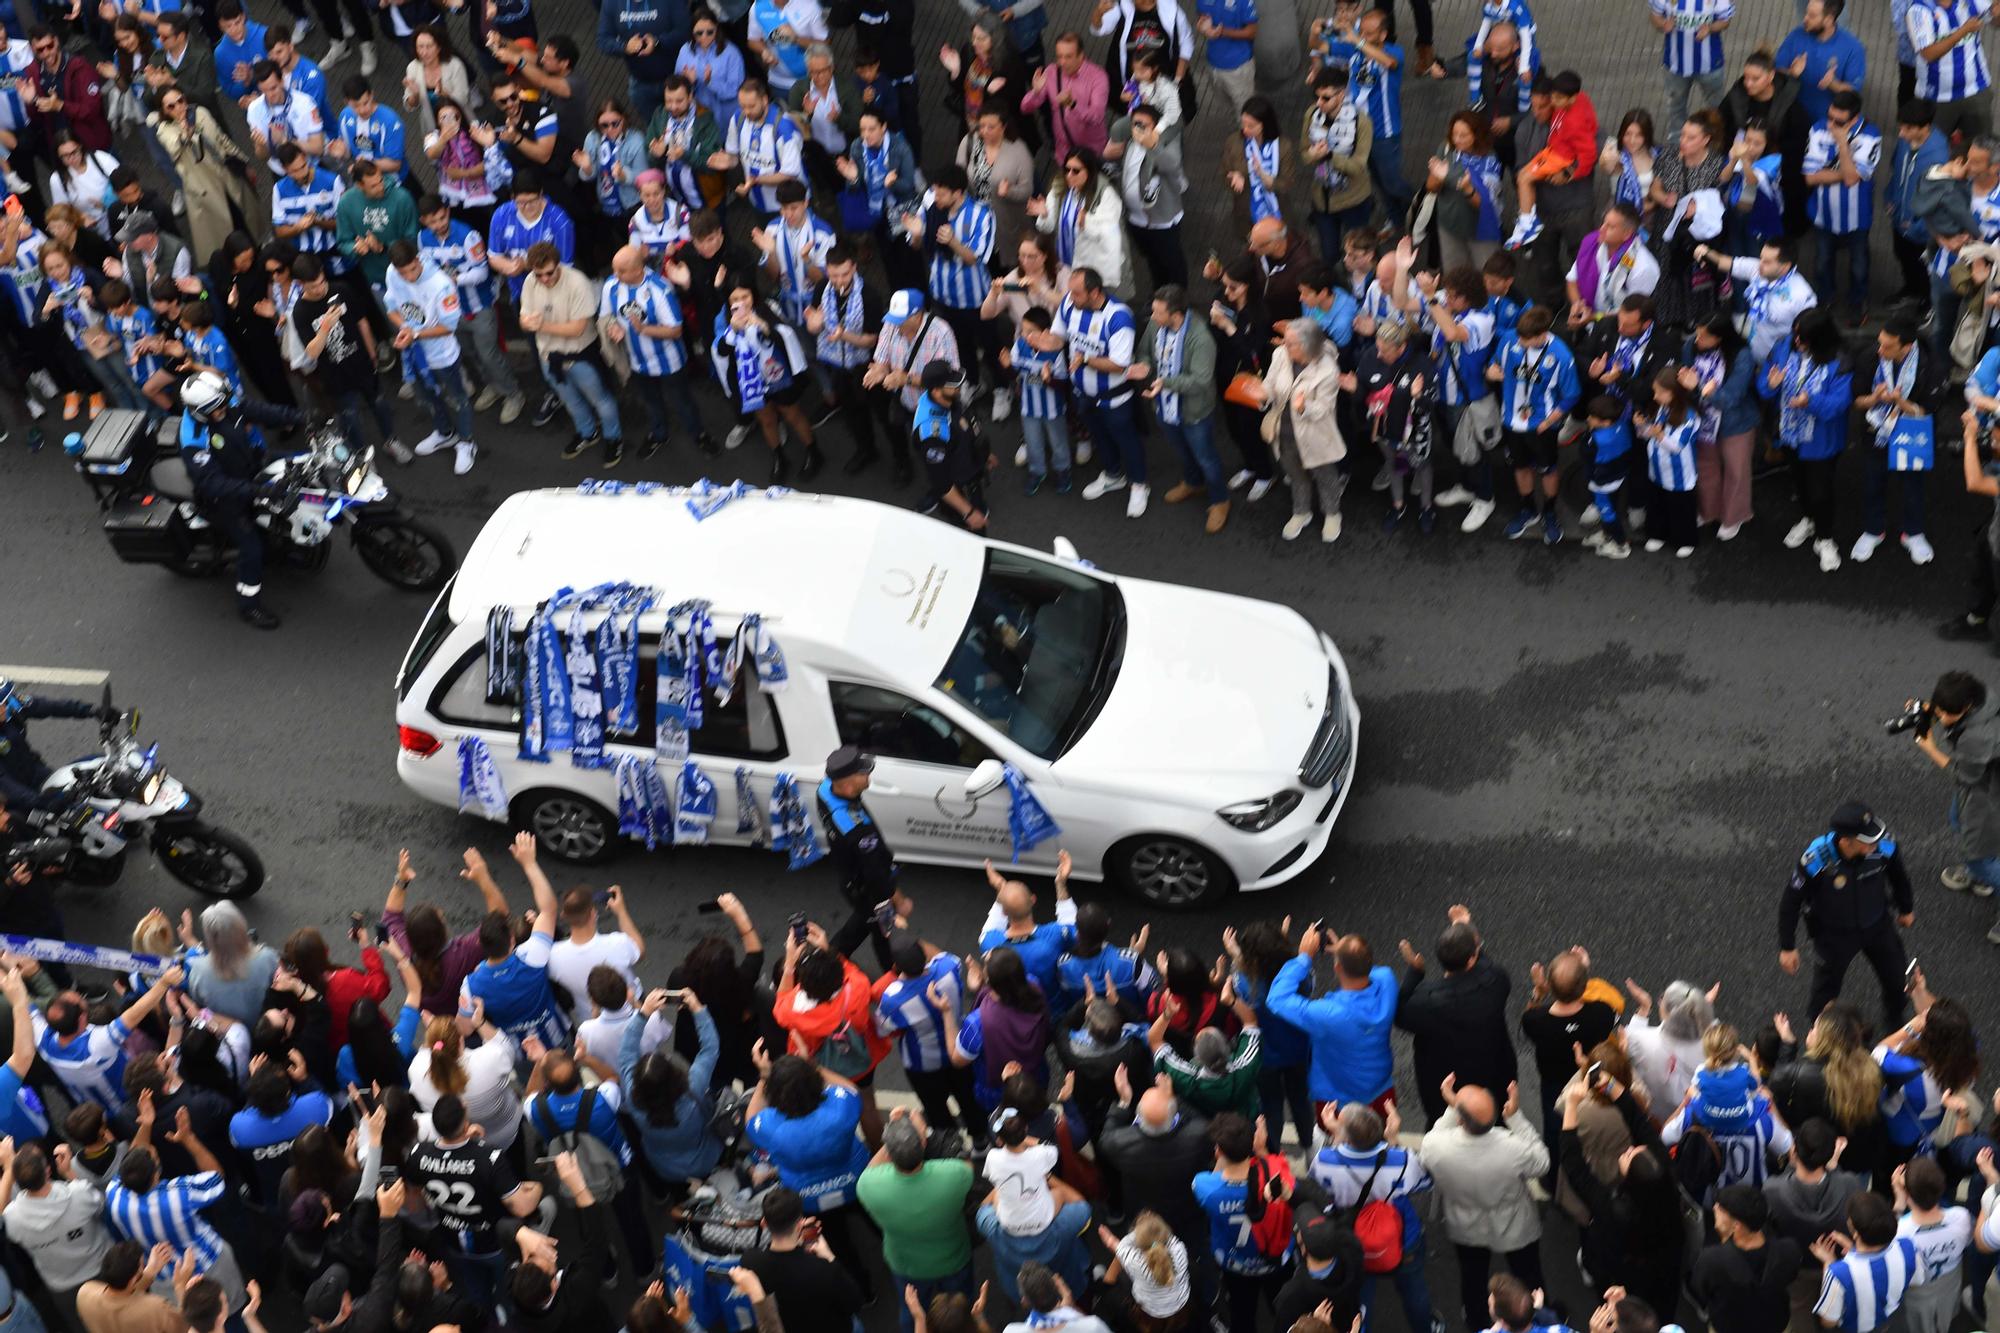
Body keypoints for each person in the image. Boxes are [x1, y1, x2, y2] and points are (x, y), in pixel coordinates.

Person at [1420, 1074, 1547, 1332]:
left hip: (1465, 1226)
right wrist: (1516, 1118)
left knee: (1473, 1276)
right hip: (1514, 1225)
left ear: (1460, 1118)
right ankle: (1539, 1317)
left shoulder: (1436, 1146)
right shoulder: (1512, 1147)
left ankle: (1476, 1319)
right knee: (1528, 1273)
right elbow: (1542, 1163)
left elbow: (1435, 1138)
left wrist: (1452, 1105)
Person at [1778, 801, 1915, 1029]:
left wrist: (1906, 908)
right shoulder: (1816, 859)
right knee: (1825, 992)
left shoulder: (1884, 847)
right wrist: (1787, 946)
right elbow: (1791, 901)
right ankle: (1821, 1033)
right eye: (1868, 839)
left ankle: (1894, 1020)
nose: (1877, 842)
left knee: (1896, 979)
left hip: (1877, 925)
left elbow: (1899, 877)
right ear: (1846, 841)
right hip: (1834, 935)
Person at [744, 1061, 875, 1301]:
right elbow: (851, 1090)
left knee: (839, 1245)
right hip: (856, 1183)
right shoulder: (840, 1109)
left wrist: (764, 1077)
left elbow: (750, 1117)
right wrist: (813, 1064)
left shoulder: (771, 1126)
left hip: (810, 1198)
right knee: (878, 1218)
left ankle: (864, 1293)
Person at [1305, 1102, 1437, 1332]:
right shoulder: (1401, 1159)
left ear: (1346, 1135)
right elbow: (1425, 1182)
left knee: (1359, 1295)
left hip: (1353, 1237)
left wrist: (1336, 1135)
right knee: (1414, 1291)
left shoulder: (1326, 1160)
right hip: (1401, 1236)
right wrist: (1394, 1139)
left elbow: (1317, 1178)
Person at [1394, 904, 1515, 1125]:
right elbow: (1485, 965)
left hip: (1445, 1091)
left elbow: (1399, 1012)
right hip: (1494, 1081)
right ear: (1471, 958)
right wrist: (1464, 927)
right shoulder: (1497, 981)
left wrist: (1415, 971)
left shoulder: (1425, 1002)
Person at [858, 1110, 975, 1328]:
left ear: (890, 1157)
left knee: (911, 1314)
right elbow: (968, 1166)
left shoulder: (868, 1185)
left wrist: (894, 1137)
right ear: (922, 1144)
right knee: (961, 1311)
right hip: (954, 1258)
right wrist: (921, 1132)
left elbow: (871, 1169)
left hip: (907, 1266)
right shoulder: (953, 1174)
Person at [460, 831, 568, 1049]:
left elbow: (464, 1029)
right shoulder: (532, 955)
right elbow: (548, 909)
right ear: (512, 941)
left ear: (481, 945)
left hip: (519, 1052)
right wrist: (529, 864)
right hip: (558, 1039)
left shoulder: (470, 986)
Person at [1851, 319, 1943, 565]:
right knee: (1873, 481)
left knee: (1913, 483)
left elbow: (1930, 410)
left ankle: (1913, 533)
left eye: (1887, 346)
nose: (1879, 350)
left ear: (1907, 347)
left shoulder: (1930, 364)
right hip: (1876, 429)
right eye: (1879, 343)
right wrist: (1874, 398)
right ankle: (1873, 529)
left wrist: (1901, 404)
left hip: (1911, 430)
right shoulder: (1869, 357)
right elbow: (1857, 399)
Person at [1906, 671, 2000, 914]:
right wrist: (1931, 710)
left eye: (1948, 713)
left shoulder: (1977, 737)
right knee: (1957, 819)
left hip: (1989, 794)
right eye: (1940, 710)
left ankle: (1983, 872)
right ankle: (1983, 878)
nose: (1943, 718)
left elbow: (1964, 776)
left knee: (1977, 857)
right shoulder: (1983, 697)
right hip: (1983, 781)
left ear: (1967, 707)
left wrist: (1930, 749)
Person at [1136, 284, 1226, 533]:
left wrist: (1165, 382)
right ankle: (1193, 482)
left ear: (1175, 314)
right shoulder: (1156, 325)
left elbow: (1200, 381)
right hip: (1164, 406)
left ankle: (1220, 500)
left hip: (1193, 410)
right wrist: (1144, 366)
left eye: (1157, 312)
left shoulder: (1200, 338)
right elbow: (1144, 352)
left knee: (1206, 457)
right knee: (1181, 449)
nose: (1152, 317)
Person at [1488, 303, 1580, 546]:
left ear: (1542, 334)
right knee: (1520, 467)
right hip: (1511, 421)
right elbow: (1493, 365)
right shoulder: (1509, 340)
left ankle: (1549, 512)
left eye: (1527, 340)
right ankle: (1528, 509)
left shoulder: (1561, 356)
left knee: (1547, 469)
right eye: (1520, 337)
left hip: (1542, 426)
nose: (1521, 343)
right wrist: (1491, 372)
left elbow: (1571, 395)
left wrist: (1550, 421)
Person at [383, 239, 477, 475]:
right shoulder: (392, 274)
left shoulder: (441, 284)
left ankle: (467, 442)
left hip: (443, 357)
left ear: (418, 259)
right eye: (402, 272)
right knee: (427, 398)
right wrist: (406, 330)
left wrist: (413, 333)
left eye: (412, 269)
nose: (408, 277)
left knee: (459, 399)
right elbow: (391, 308)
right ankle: (444, 433)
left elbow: (449, 325)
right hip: (415, 354)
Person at [1253, 318, 1348, 543]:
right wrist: (1263, 395)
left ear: (1307, 346)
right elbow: (1269, 383)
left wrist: (1304, 407)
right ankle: (1301, 511)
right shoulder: (1280, 356)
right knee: (1295, 475)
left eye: (1291, 343)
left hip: (1315, 435)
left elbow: (1325, 409)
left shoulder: (1327, 370)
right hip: (1284, 432)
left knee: (1325, 476)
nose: (1284, 346)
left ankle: (1333, 514)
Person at [1098, 1078, 1210, 1254]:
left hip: (1144, 1211)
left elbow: (1106, 1137)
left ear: (1139, 1118)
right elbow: (1201, 1121)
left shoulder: (1122, 1143)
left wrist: (1123, 1102)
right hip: (1186, 1207)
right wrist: (1175, 1098)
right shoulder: (1197, 1136)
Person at [1694, 1185, 1804, 1333]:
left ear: (1736, 1225)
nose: (1714, 1208)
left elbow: (1701, 1292)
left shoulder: (1711, 1260)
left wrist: (1724, 1240)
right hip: (1777, 1324)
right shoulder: (1789, 1250)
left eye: (1721, 1209)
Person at [1812, 1192, 1925, 1333]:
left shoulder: (1838, 1273)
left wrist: (1829, 1262)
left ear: (1855, 1232)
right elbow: (1917, 1281)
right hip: (1891, 1320)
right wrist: (1853, 1250)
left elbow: (1828, 1321)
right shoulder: (1909, 1246)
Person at [1893, 1157, 1971, 1333]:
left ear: (1907, 1194)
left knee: (1920, 1323)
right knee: (1946, 1317)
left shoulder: (1900, 1231)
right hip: (1951, 1281)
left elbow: (1887, 1239)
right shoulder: (1961, 1216)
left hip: (1918, 1291)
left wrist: (1899, 1200)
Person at [912, 359, 989, 530]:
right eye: (953, 384)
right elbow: (941, 482)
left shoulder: (946, 400)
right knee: (971, 537)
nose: (959, 387)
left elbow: (965, 424)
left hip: (970, 470)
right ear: (937, 391)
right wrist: (968, 513)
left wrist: (985, 455)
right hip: (958, 487)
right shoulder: (932, 433)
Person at [1907, 0, 1991, 143]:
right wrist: (1963, 31)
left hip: (1976, 90)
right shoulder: (1919, 10)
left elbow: (1994, 18)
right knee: (1932, 149)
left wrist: (1996, 12)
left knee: (1981, 147)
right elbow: (1929, 53)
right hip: (1935, 97)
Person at [1020, 33, 1108, 165]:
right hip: (1064, 151)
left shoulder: (1098, 77)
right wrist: (1036, 92)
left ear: (1081, 55)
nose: (1062, 62)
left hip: (1090, 151)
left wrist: (1073, 105)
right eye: (1059, 56)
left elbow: (1097, 116)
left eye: (1068, 57)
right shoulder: (1051, 72)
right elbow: (1025, 108)